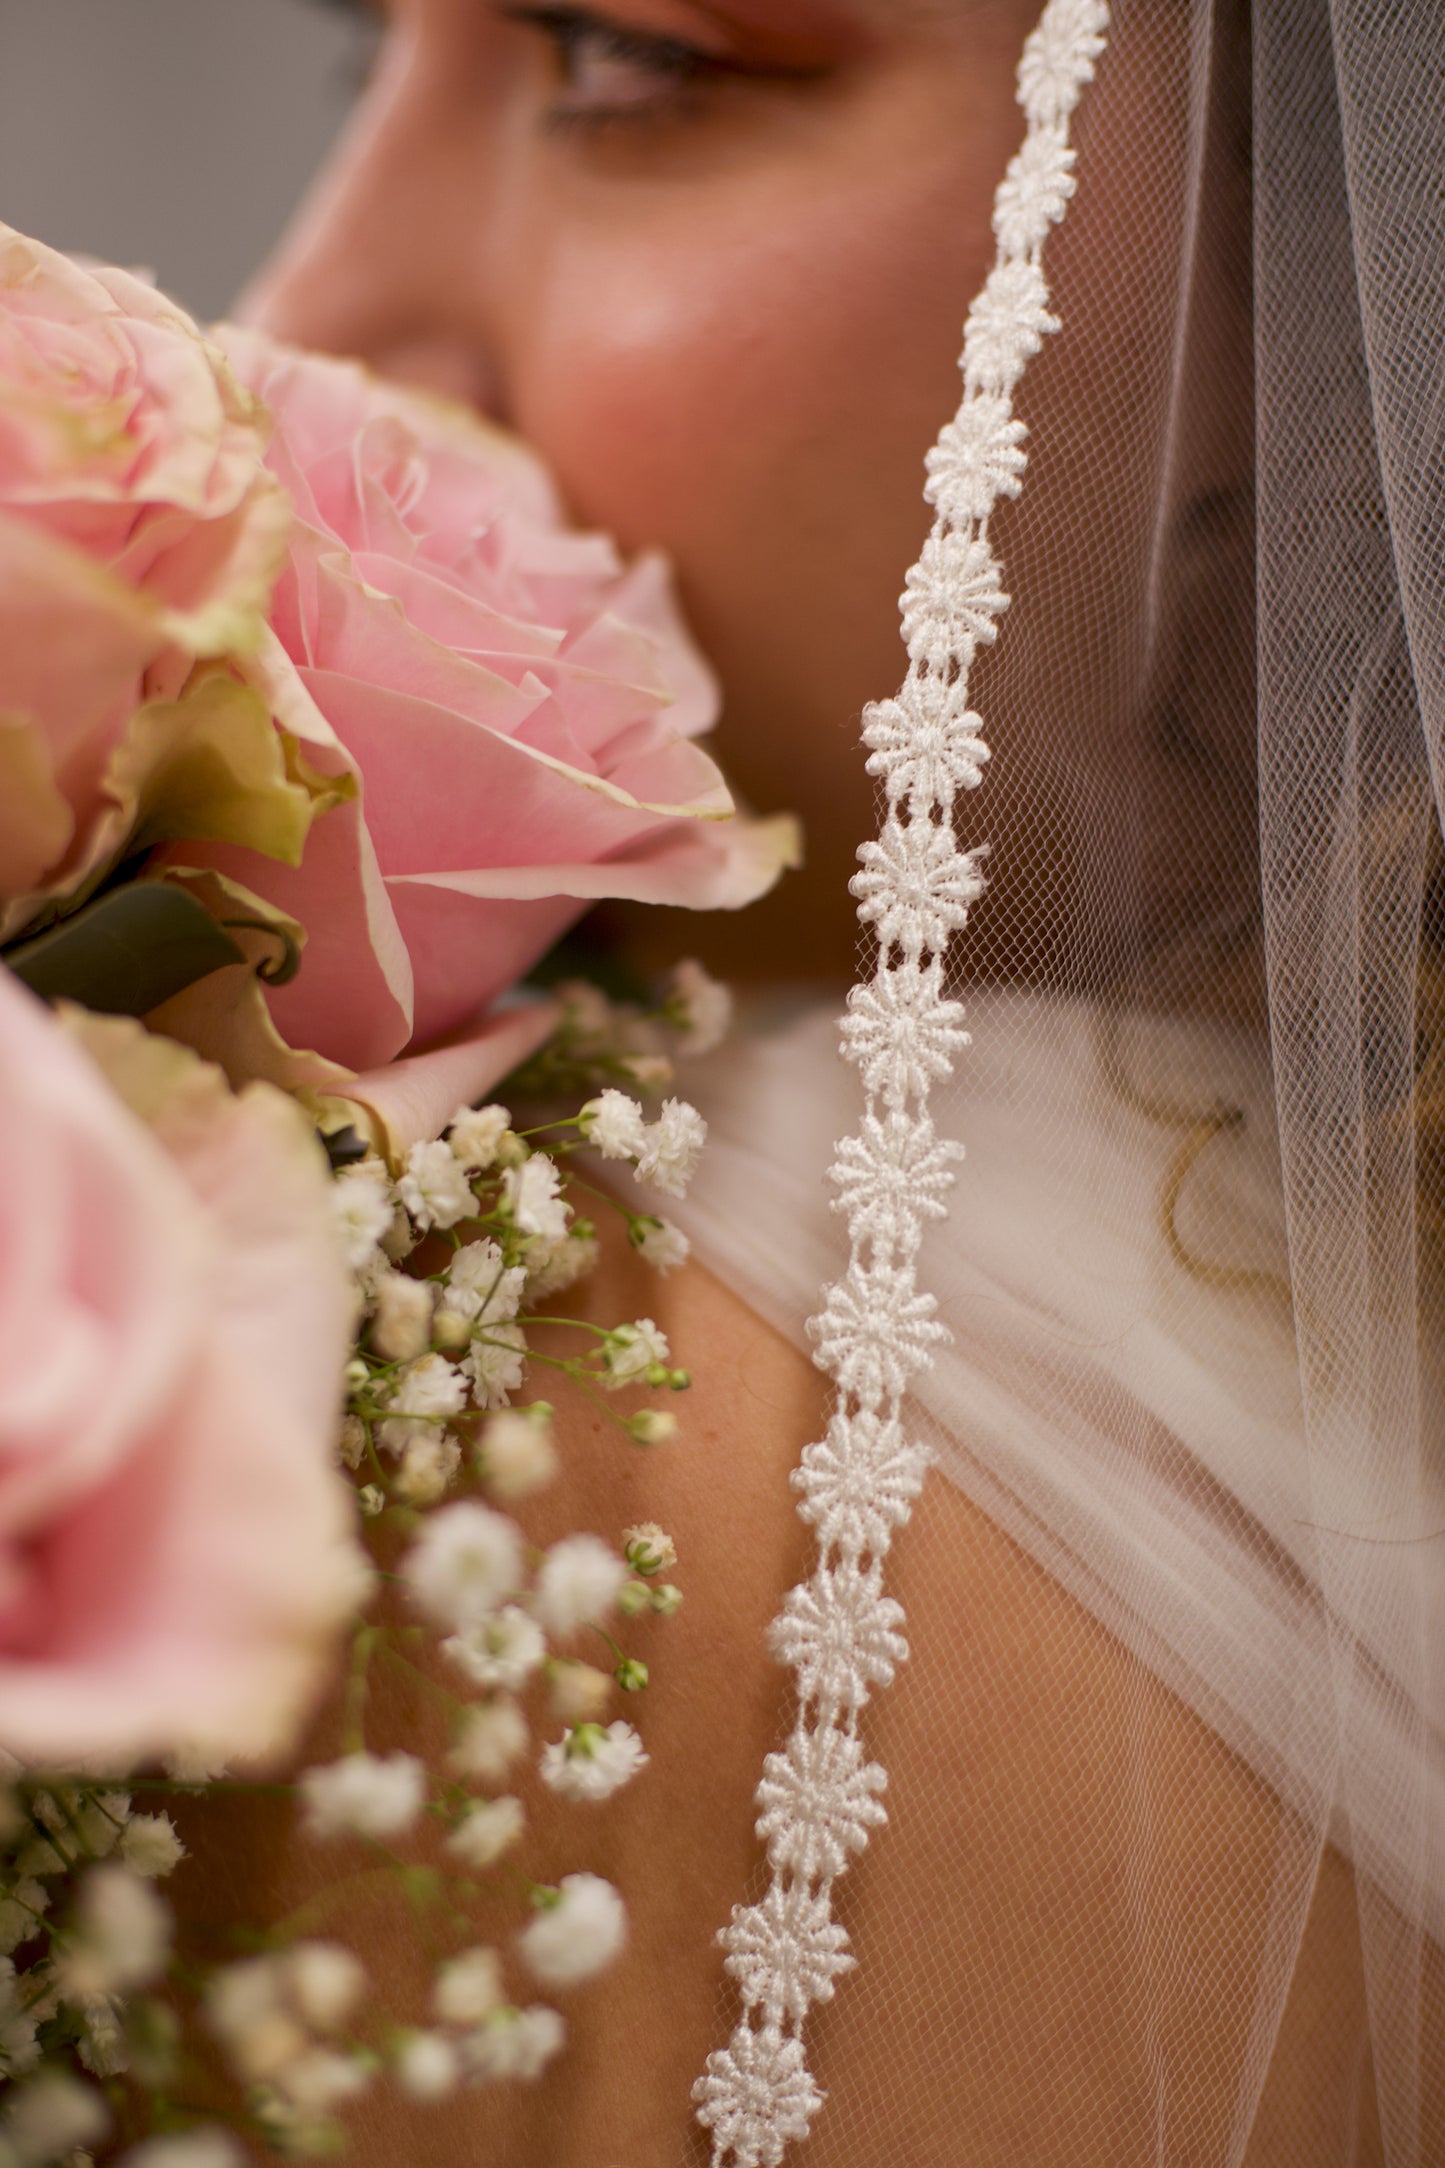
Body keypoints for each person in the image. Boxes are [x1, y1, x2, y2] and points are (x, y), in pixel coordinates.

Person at [208, 0, 1445, 2159]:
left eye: (634, 61)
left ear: (1351, 275)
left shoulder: (641, 1423)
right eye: (360, 63)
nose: (299, 322)